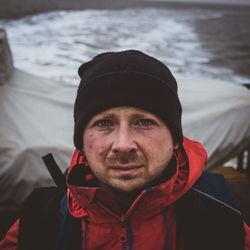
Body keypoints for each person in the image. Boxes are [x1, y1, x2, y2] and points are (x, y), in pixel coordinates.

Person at [0, 50, 250, 250]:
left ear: (175, 139)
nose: (123, 145)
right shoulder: (41, 223)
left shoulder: (220, 217)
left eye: (143, 122)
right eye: (104, 123)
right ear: (82, 143)